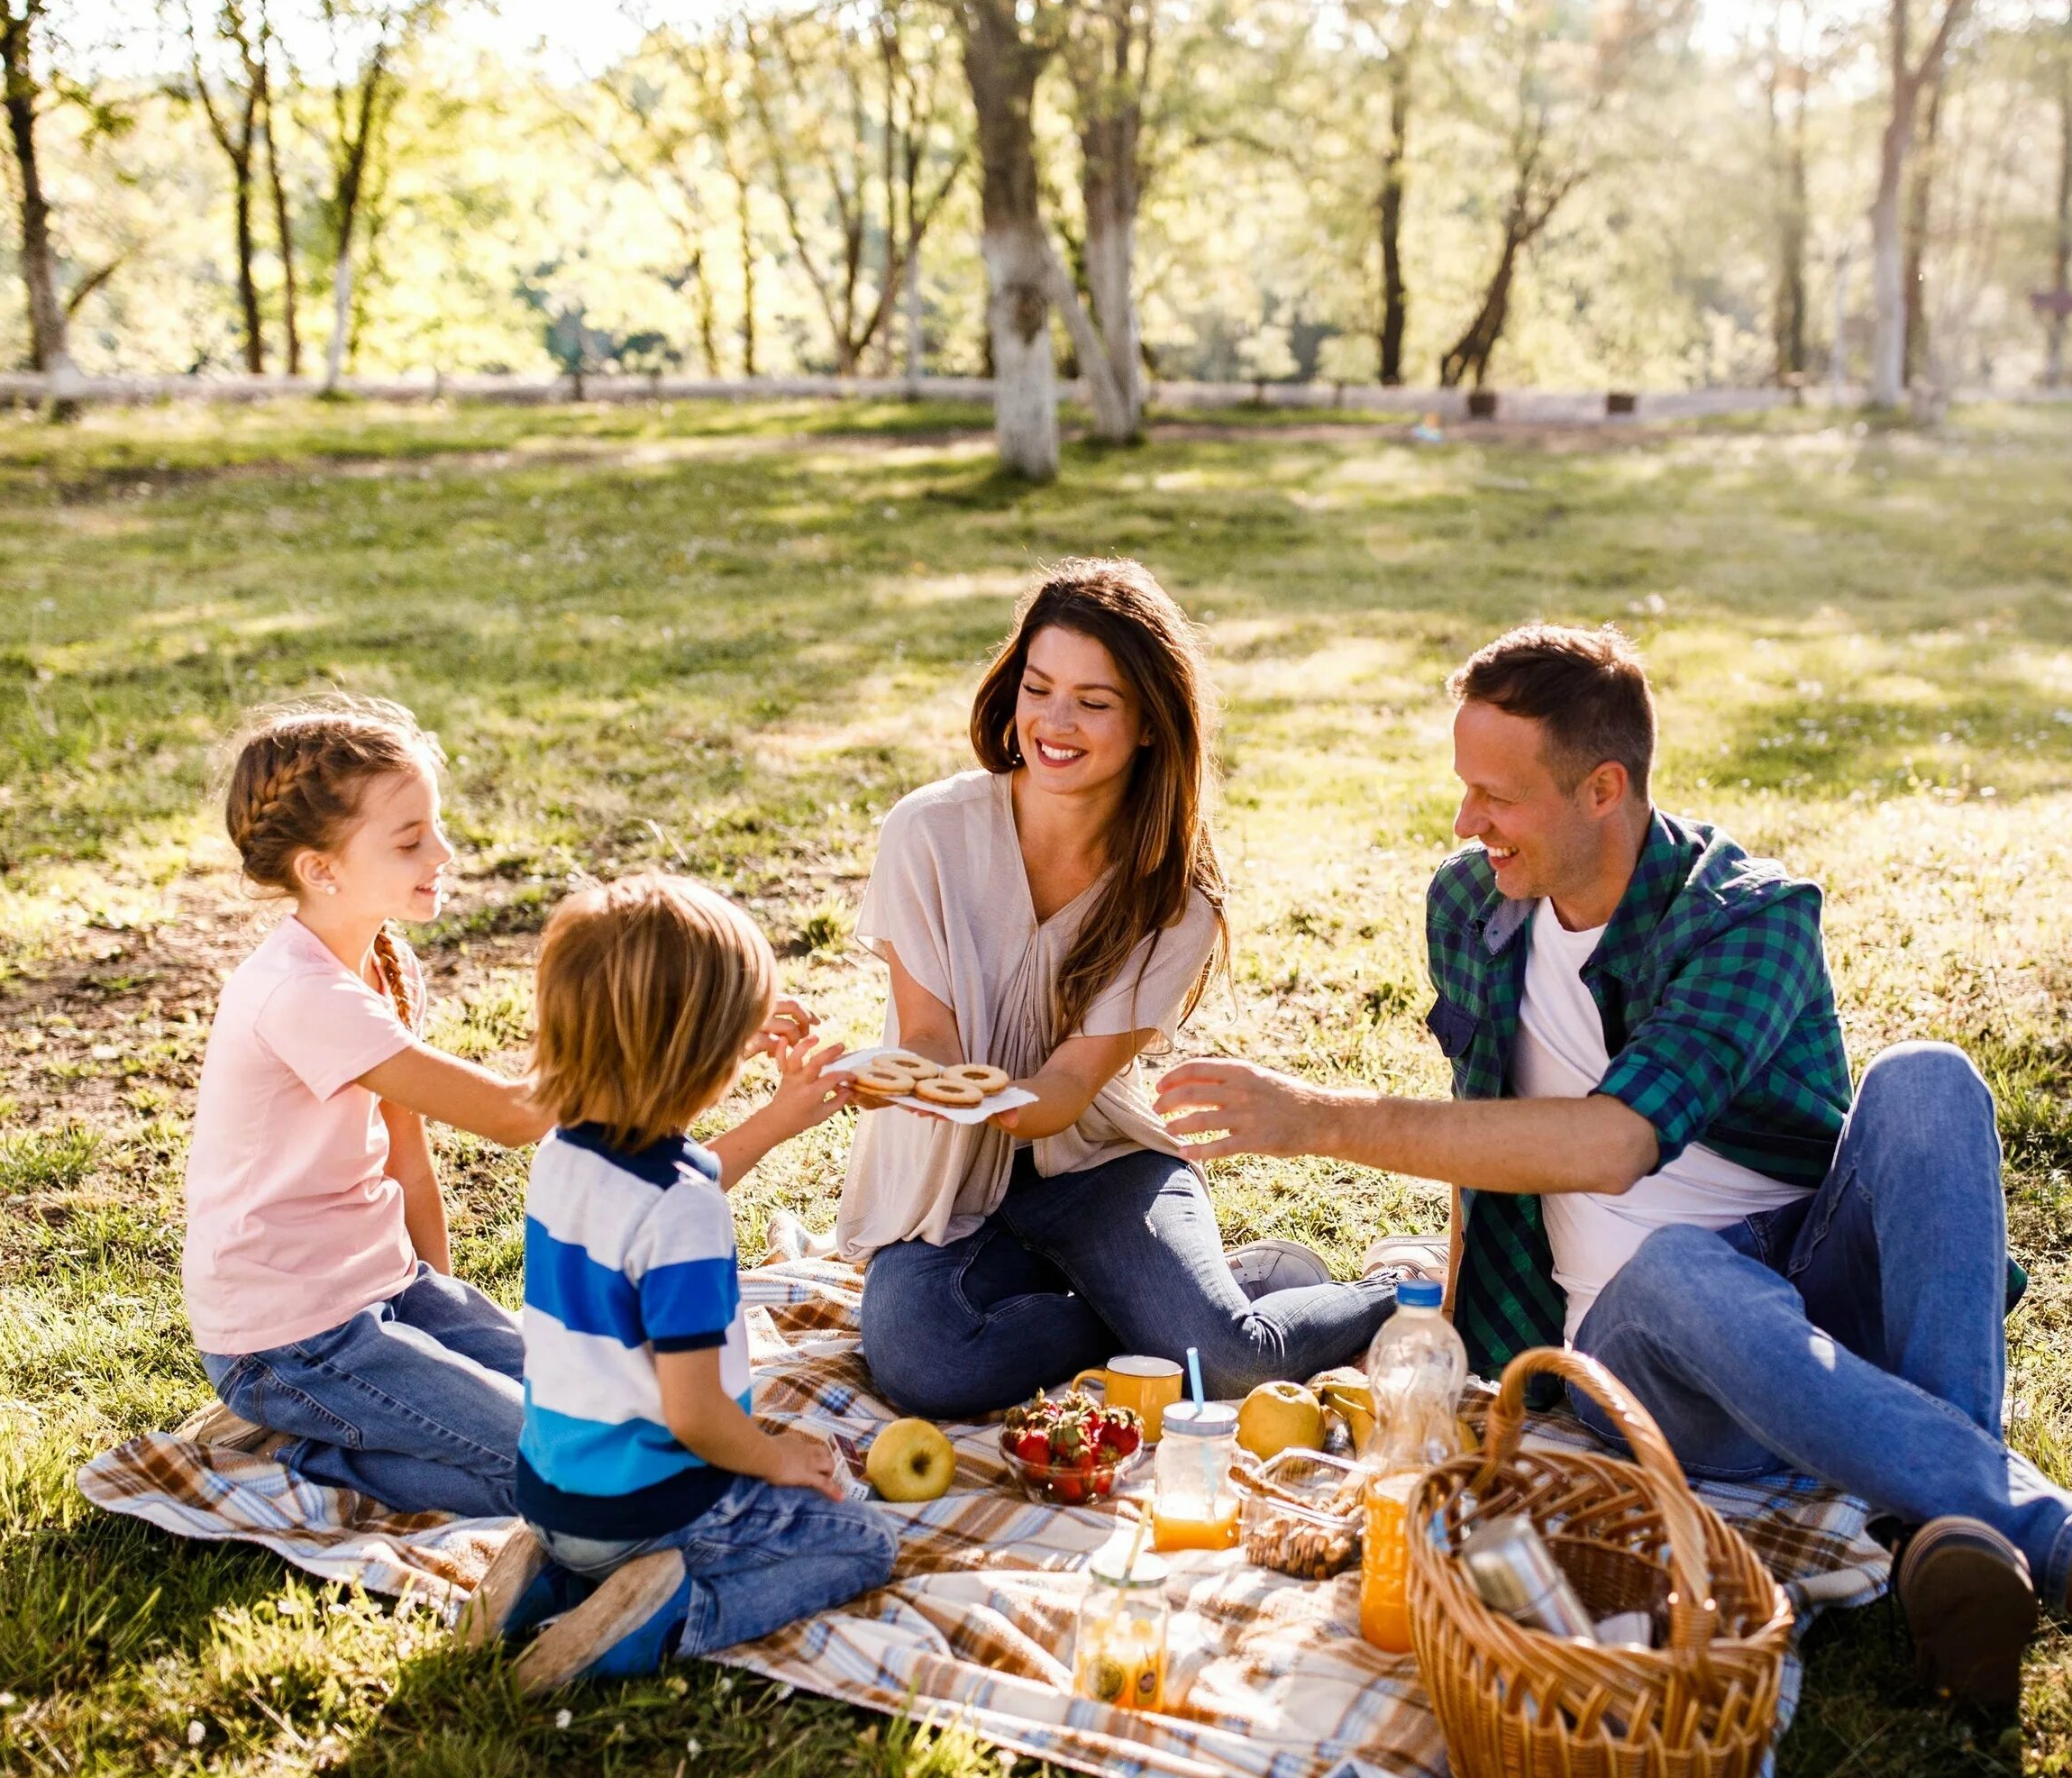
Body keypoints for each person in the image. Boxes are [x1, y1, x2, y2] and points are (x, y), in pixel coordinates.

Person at [1155, 625, 2072, 1711]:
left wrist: (1316, 1117)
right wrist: (1453, 1342)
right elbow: (1484, 1131)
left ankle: (1951, 1530)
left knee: (1930, 1078)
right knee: (1682, 1264)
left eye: (1498, 796)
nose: (1467, 820)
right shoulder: (1472, 905)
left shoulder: (1746, 918)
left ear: (1604, 788)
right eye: (1466, 788)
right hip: (1644, 1354)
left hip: (1816, 1299)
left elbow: (1613, 1144)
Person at [183, 698, 833, 1520]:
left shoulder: (382, 963)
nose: (444, 852)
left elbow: (406, 1158)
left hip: (386, 1292)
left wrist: (437, 1317)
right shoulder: (301, 995)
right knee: (562, 1479)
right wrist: (702, 1024)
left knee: (600, 1420)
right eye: (411, 838)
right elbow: (517, 1115)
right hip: (290, 1339)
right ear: (321, 869)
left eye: (437, 827)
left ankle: (376, 1417)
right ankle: (314, 1450)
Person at [841, 559, 1397, 1419]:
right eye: (1039, 687)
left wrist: (985, 1102)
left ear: (1148, 723)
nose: (1055, 724)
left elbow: (1065, 1092)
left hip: (1097, 1162)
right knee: (923, 1362)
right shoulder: (928, 831)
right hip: (950, 1182)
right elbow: (929, 1034)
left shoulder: (1177, 898)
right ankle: (1147, 1315)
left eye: (1094, 702)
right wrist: (906, 1080)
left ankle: (1397, 1288)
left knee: (1228, 1362)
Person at [472, 874, 895, 1687]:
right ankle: (662, 1616)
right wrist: (775, 1456)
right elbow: (697, 1413)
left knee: (599, 1536)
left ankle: (549, 1578)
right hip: (654, 1508)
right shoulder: (685, 1212)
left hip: (557, 1498)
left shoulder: (565, 1153)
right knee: (862, 1543)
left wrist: (768, 1096)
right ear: (701, 1053)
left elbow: (673, 1181)